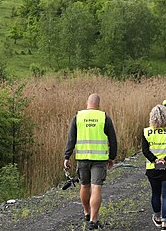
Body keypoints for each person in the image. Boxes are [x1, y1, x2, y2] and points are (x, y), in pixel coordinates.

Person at [64, 93, 117, 230]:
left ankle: (86, 212)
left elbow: (71, 139)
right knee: (96, 187)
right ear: (98, 104)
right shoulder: (104, 117)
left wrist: (67, 156)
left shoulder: (78, 117)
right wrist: (112, 157)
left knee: (84, 186)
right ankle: (93, 220)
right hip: (99, 159)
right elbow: (113, 139)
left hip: (82, 158)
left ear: (87, 103)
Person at [142, 104, 166, 231]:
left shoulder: (146, 132)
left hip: (153, 167)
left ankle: (157, 217)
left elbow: (145, 150)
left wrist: (155, 160)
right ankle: (165, 223)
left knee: (155, 193)